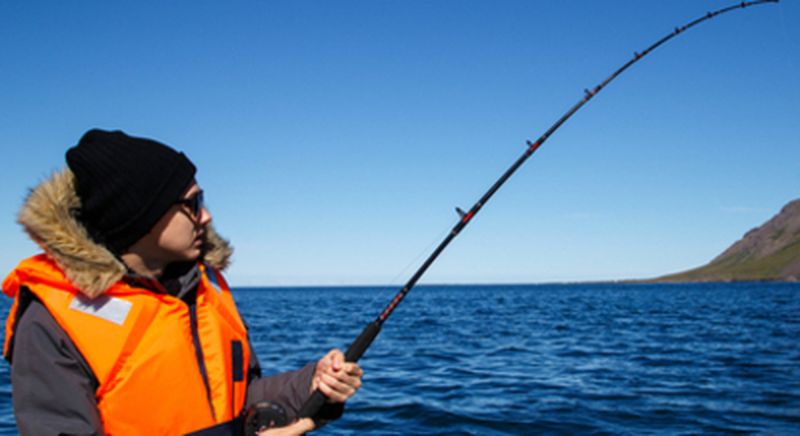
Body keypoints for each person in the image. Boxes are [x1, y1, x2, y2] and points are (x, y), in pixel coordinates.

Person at [2, 129, 363, 435]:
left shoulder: (205, 287)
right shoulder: (50, 324)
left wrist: (311, 384)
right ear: (141, 217)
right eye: (192, 203)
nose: (205, 216)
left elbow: (240, 401)